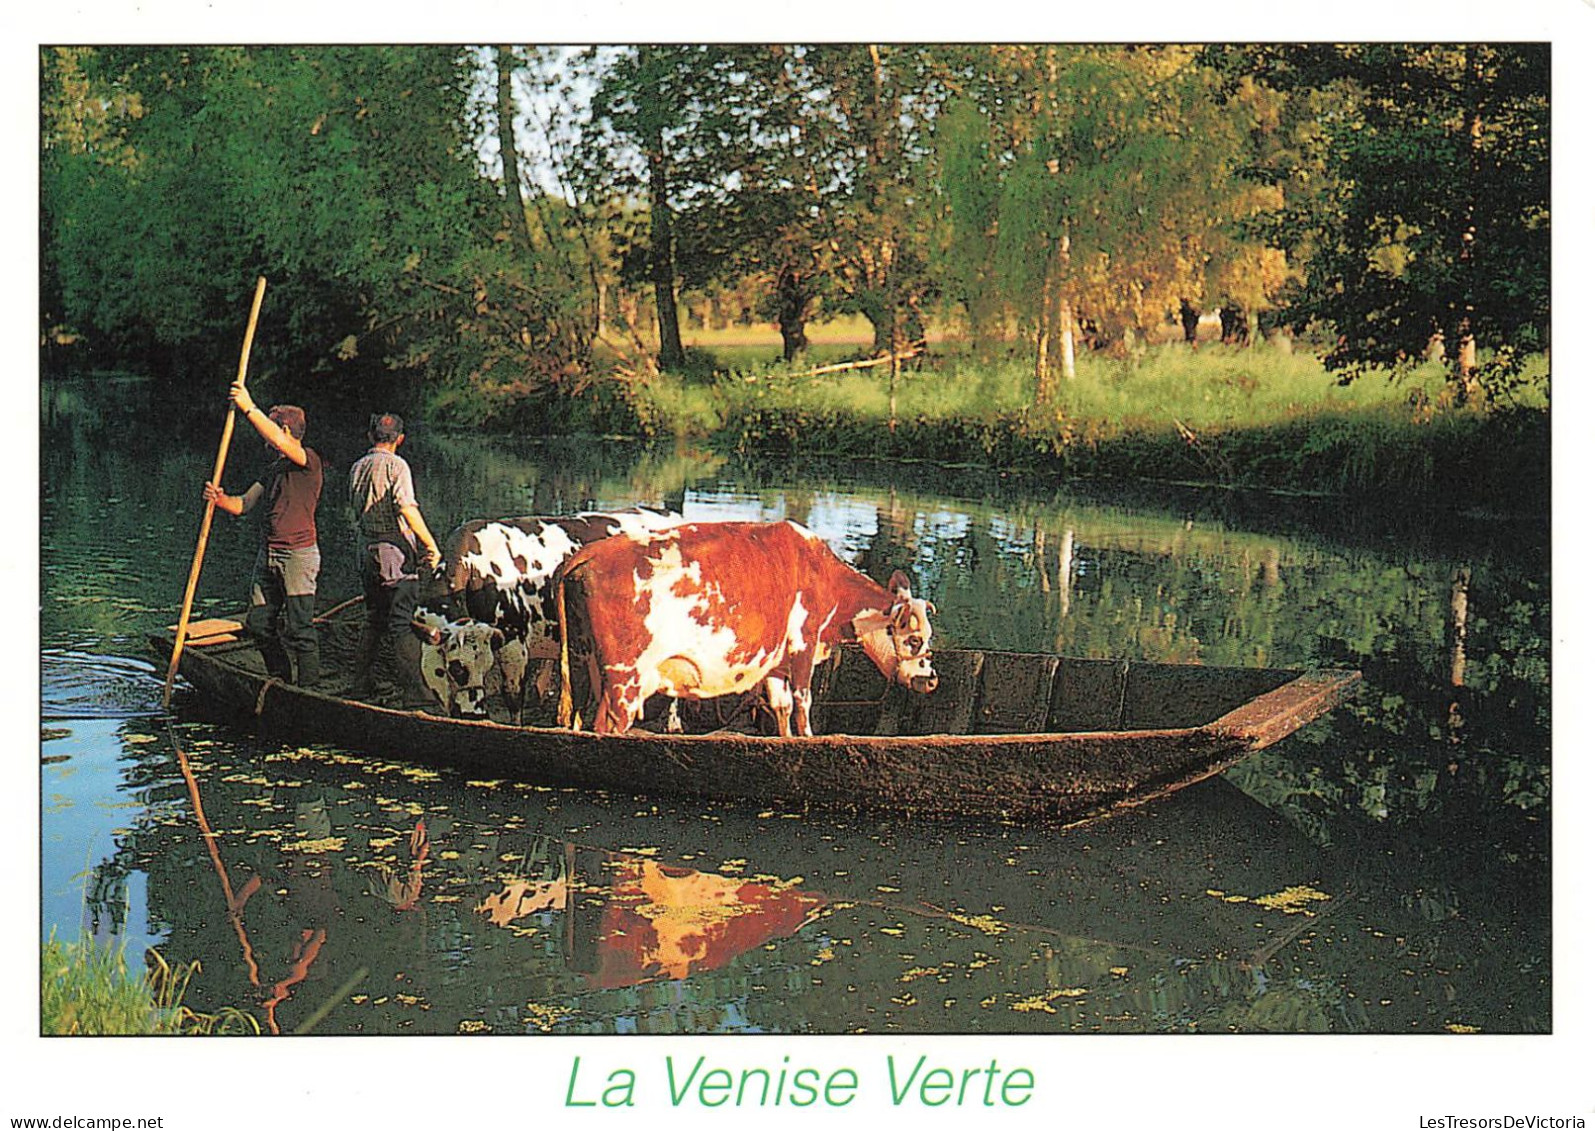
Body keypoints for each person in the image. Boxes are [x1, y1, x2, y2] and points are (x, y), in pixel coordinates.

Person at [202, 381, 324, 686]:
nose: (264, 440)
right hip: (268, 554)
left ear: (283, 430)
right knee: (257, 624)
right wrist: (219, 499)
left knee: (300, 628)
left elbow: (282, 444)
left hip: (298, 555)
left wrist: (248, 406)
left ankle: (309, 690)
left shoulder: (308, 460)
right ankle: (280, 679)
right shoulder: (271, 469)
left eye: (271, 430)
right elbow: (244, 504)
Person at [348, 411, 443, 705]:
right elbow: (406, 507)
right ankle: (416, 694)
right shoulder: (396, 466)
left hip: (365, 550)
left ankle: (361, 684)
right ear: (400, 439)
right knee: (402, 622)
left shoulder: (358, 466)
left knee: (375, 619)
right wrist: (431, 546)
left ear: (370, 436)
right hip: (393, 552)